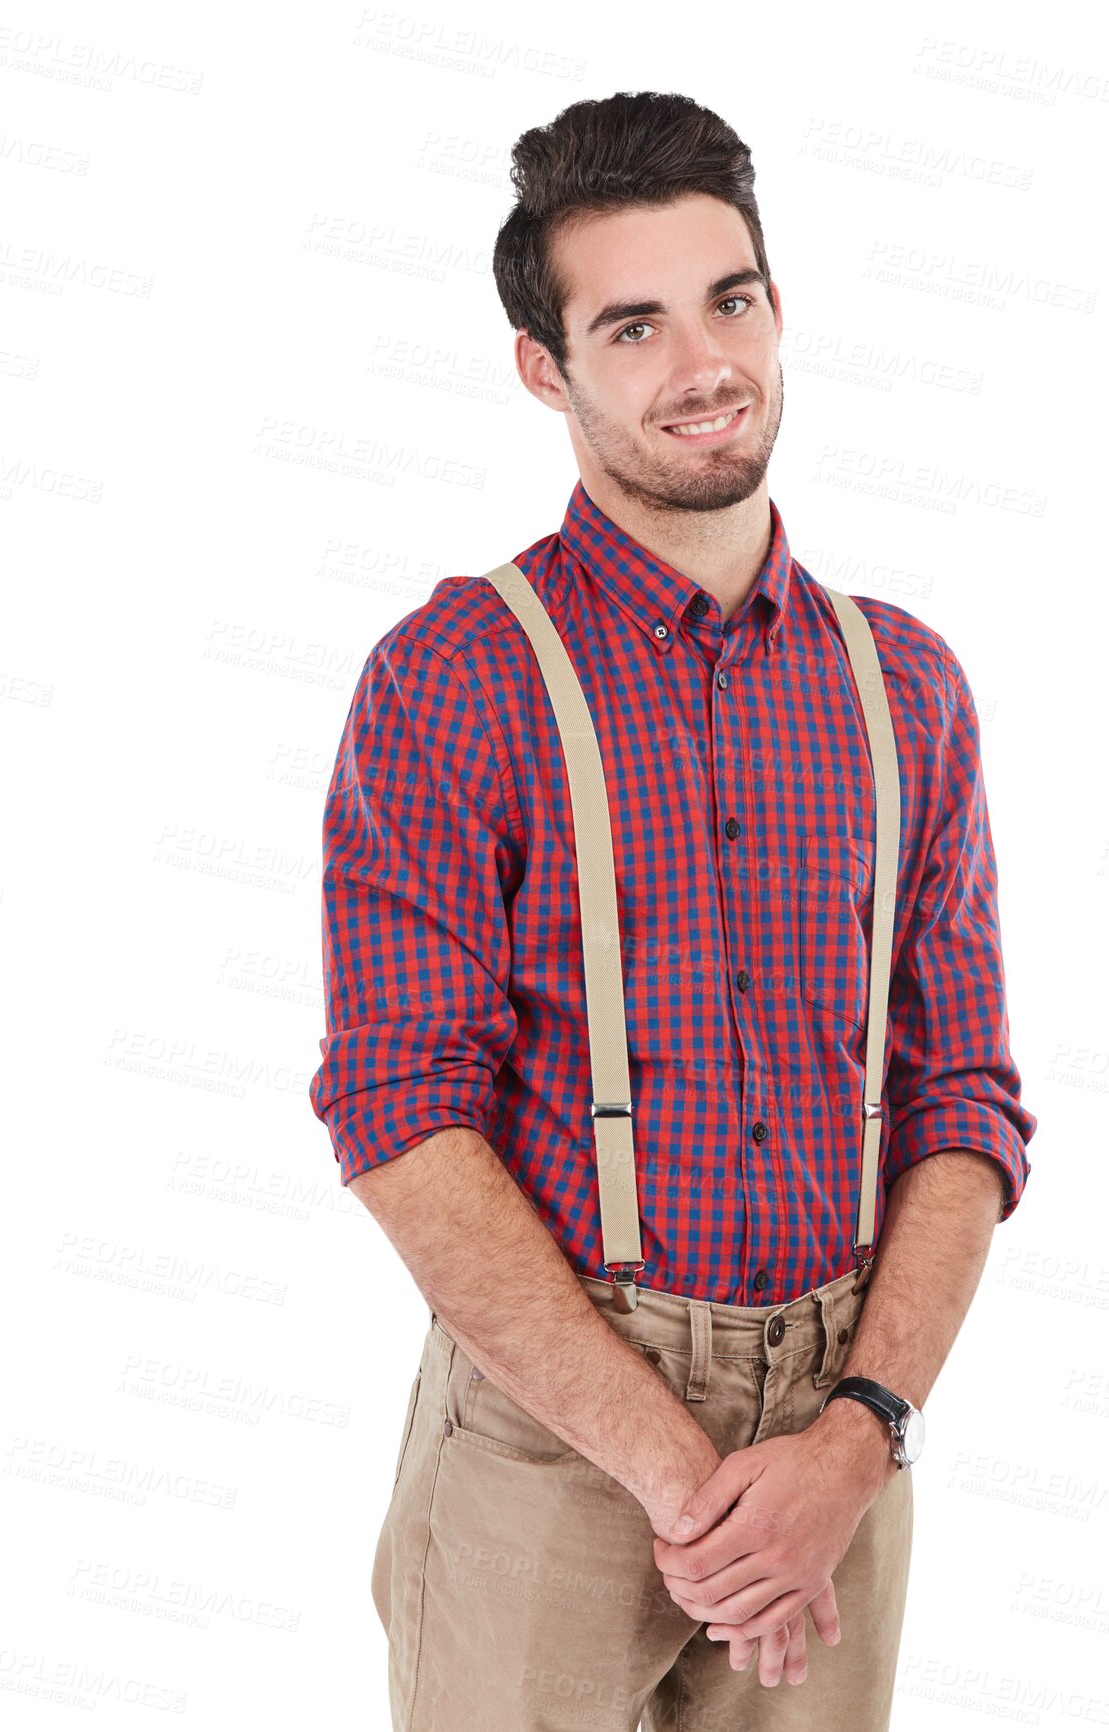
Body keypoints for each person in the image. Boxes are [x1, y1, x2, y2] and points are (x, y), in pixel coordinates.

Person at [308, 90, 1037, 1731]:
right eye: (631, 324)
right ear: (544, 368)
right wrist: (690, 1480)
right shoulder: (456, 677)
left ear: (778, 304)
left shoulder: (904, 682)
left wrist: (854, 1440)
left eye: (731, 299)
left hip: (840, 1431)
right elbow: (398, 1116)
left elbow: (964, 1105)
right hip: (551, 1437)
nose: (703, 362)